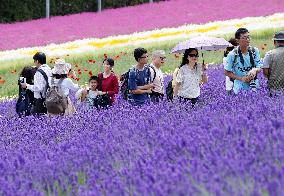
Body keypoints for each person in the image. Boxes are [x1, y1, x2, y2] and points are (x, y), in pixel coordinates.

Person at [224, 28, 261, 94]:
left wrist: (255, 70)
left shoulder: (255, 51)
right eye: (244, 38)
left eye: (248, 37)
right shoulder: (232, 54)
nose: (248, 39)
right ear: (237, 40)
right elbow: (227, 72)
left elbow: (259, 67)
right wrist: (241, 78)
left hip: (254, 86)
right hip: (239, 88)